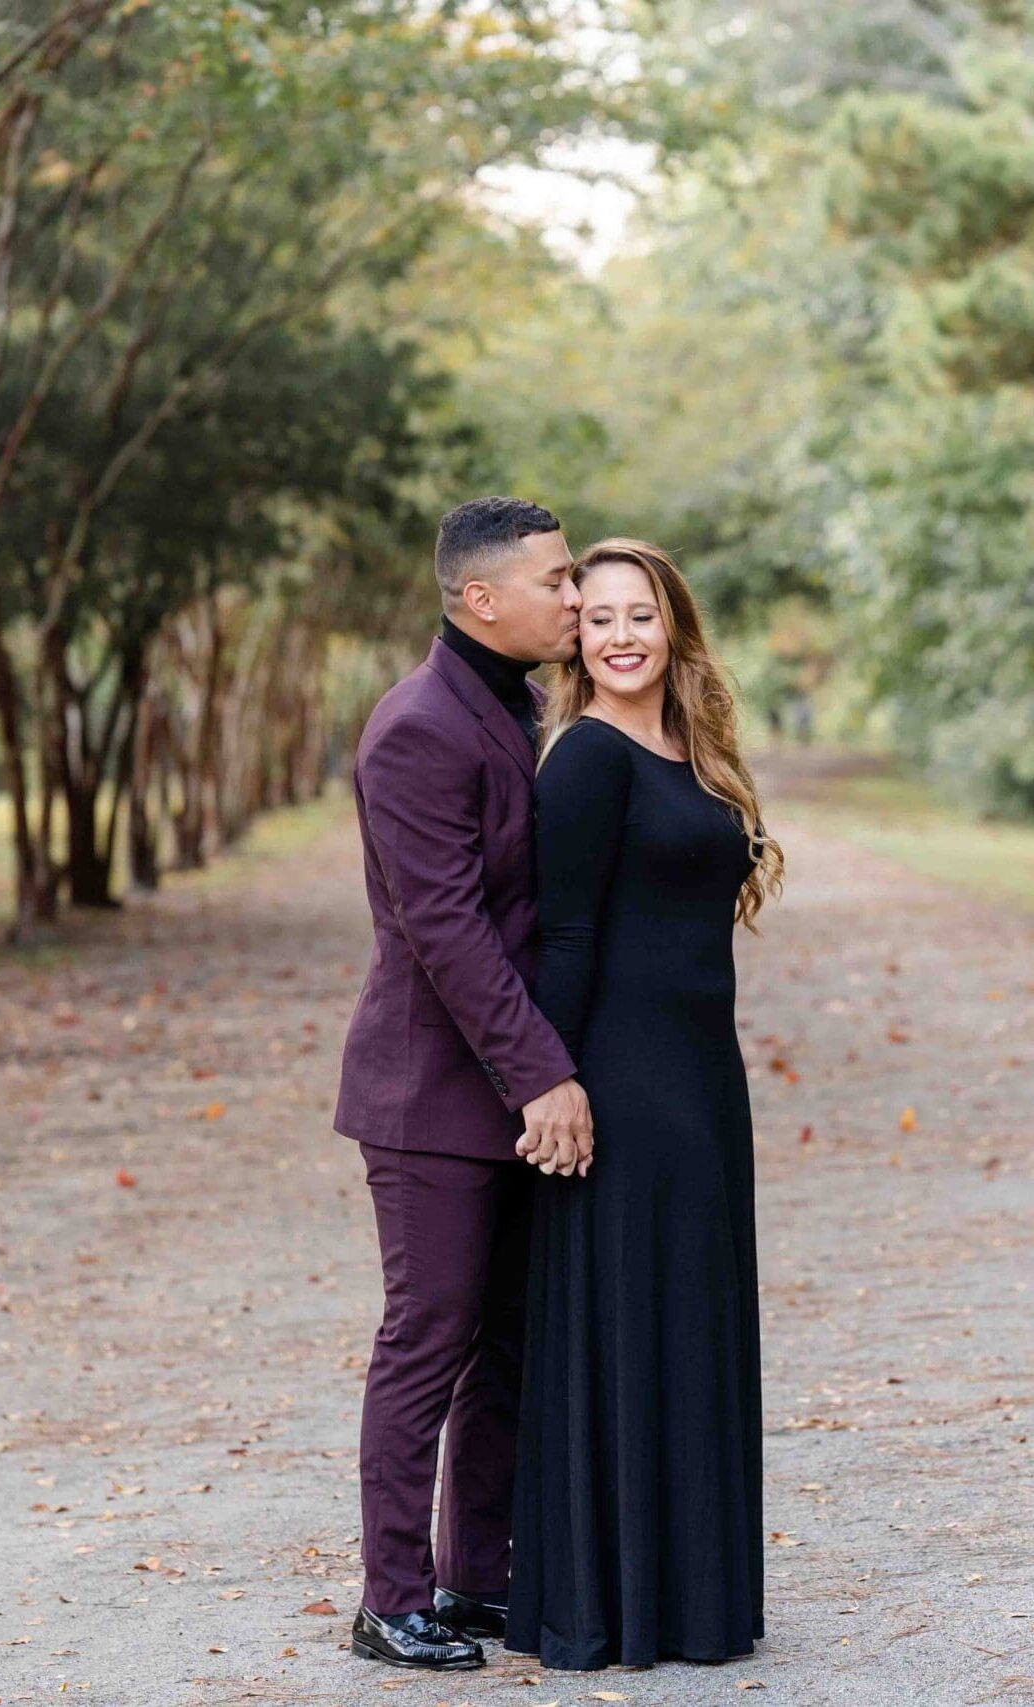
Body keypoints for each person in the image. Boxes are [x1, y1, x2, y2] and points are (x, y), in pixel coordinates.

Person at [504, 537, 785, 1670]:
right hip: (619, 1081)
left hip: (702, 1080)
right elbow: (563, 933)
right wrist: (547, 1081)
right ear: (578, 638)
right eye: (600, 616)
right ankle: (610, 1602)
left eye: (641, 615)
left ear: (674, 629)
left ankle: (693, 1597)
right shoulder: (584, 760)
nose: (620, 635)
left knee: (691, 1320)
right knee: (630, 1320)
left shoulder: (693, 752)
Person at [333, 496, 594, 1672]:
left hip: (501, 1082)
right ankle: (390, 1600)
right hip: (430, 1093)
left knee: (506, 1340)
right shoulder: (414, 728)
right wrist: (543, 1076)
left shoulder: (516, 702)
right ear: (480, 599)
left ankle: (471, 1575)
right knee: (428, 1334)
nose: (575, 597)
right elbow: (443, 930)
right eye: (557, 579)